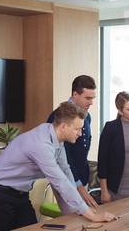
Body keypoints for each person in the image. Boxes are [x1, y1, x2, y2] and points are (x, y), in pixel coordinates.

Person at [0, 102, 117, 231]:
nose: (80, 133)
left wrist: (80, 210)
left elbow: (65, 170)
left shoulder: (56, 138)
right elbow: (59, 181)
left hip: (20, 195)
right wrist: (91, 215)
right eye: (77, 129)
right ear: (63, 126)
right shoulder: (41, 145)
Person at [46, 75, 98, 208]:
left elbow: (85, 147)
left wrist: (82, 181)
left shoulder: (87, 116)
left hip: (82, 177)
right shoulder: (58, 116)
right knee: (72, 219)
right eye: (88, 98)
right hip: (64, 178)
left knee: (83, 219)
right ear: (75, 94)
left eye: (93, 98)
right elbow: (62, 157)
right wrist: (78, 184)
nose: (91, 102)